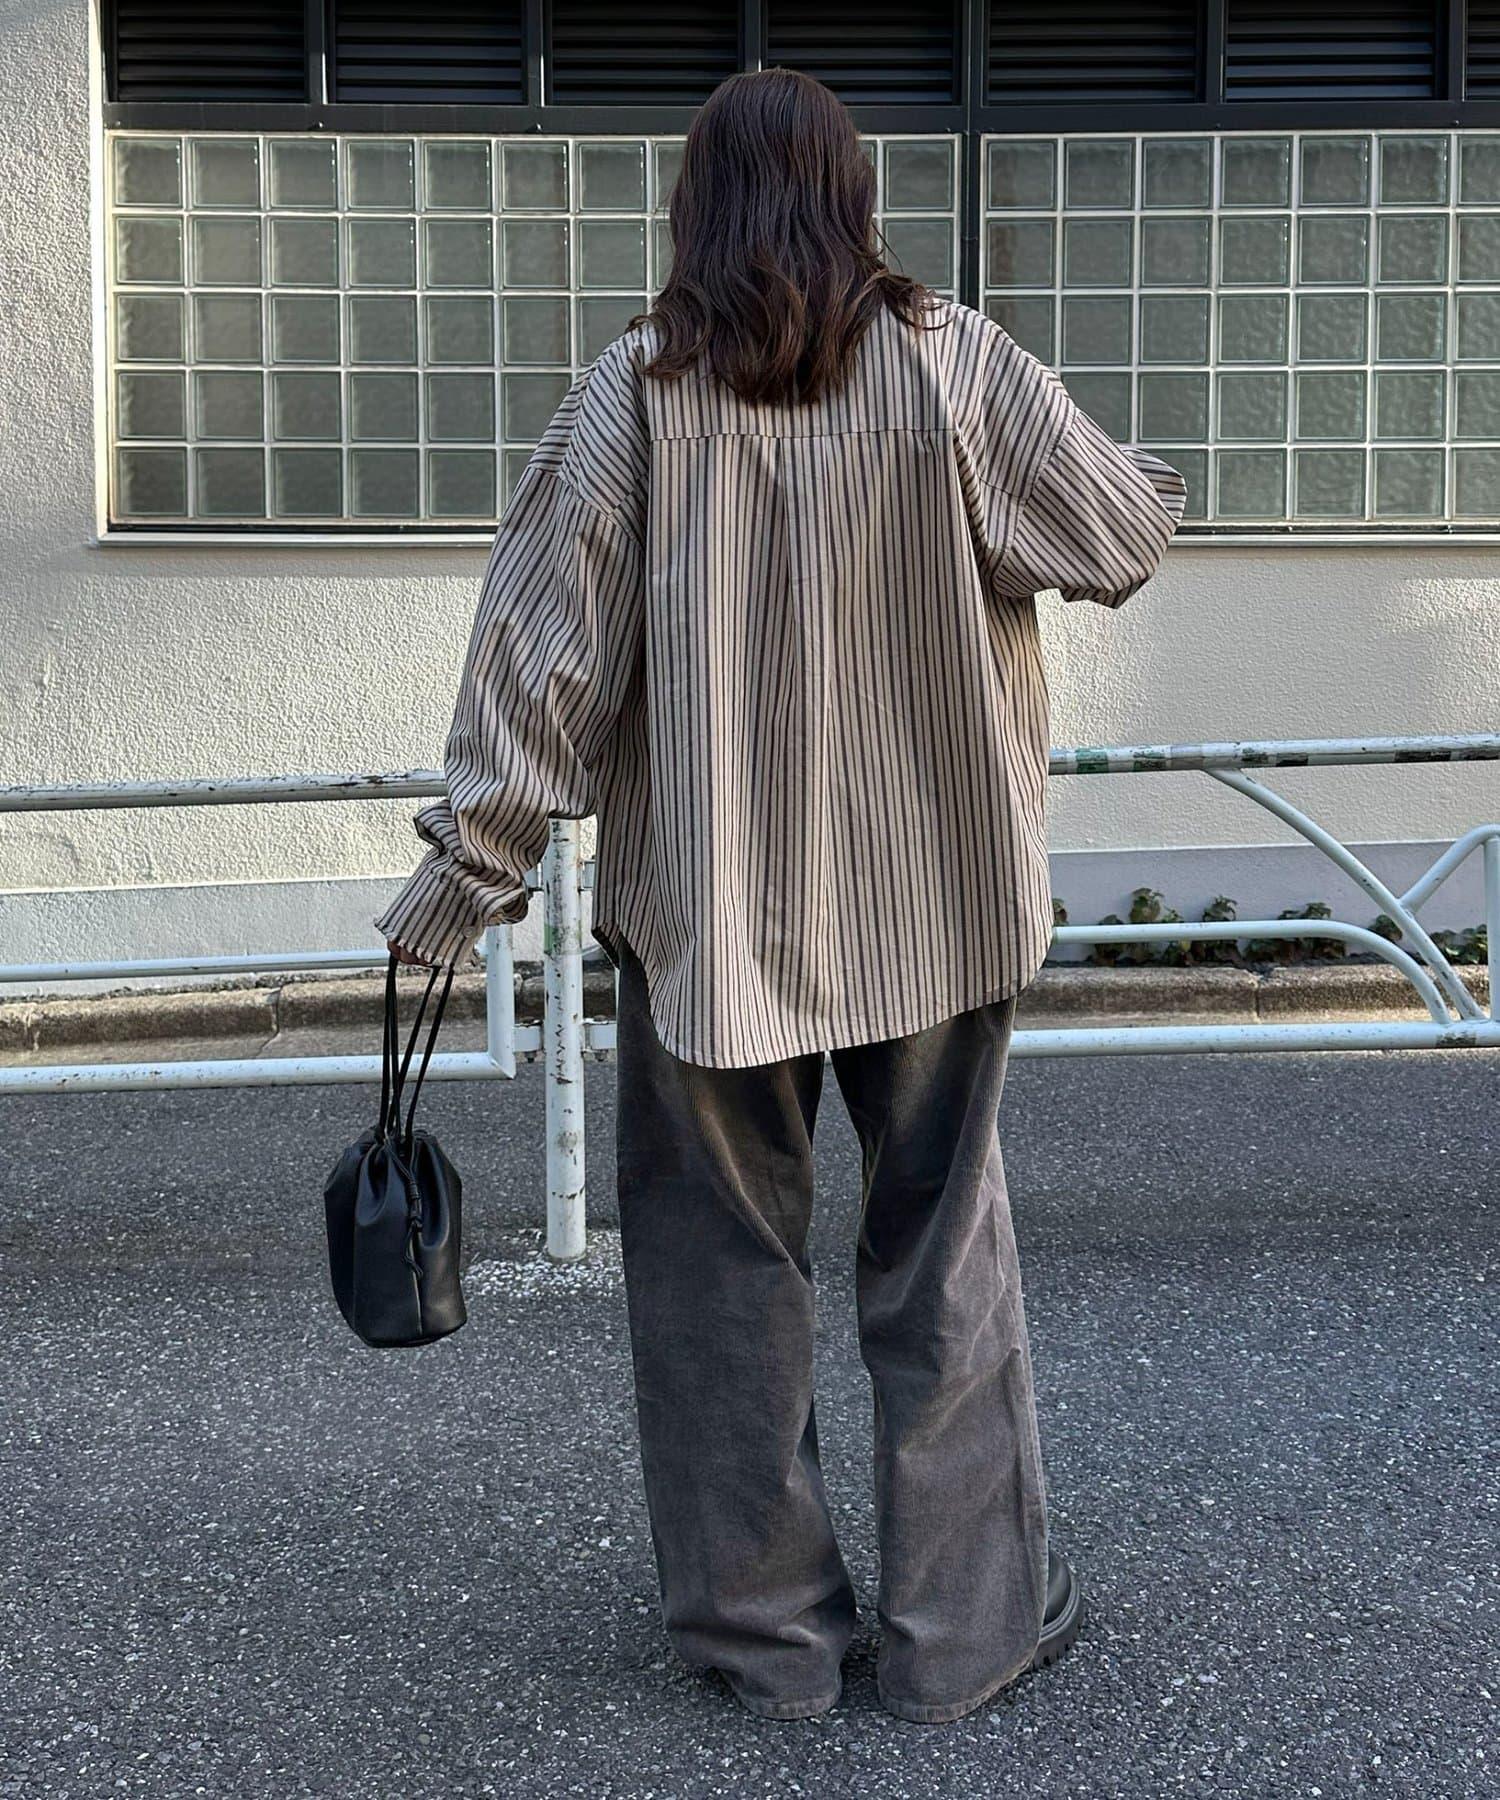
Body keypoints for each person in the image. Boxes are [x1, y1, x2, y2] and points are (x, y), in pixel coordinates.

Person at [377, 68, 1186, 1726]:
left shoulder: (631, 395)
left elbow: (540, 664)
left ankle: (767, 1644)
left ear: (696, 207)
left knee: (714, 1275)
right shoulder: (959, 367)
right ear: (853, 198)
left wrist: (464, 885)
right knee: (944, 1256)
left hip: (710, 921)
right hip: (937, 902)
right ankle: (965, 1638)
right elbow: (1121, 538)